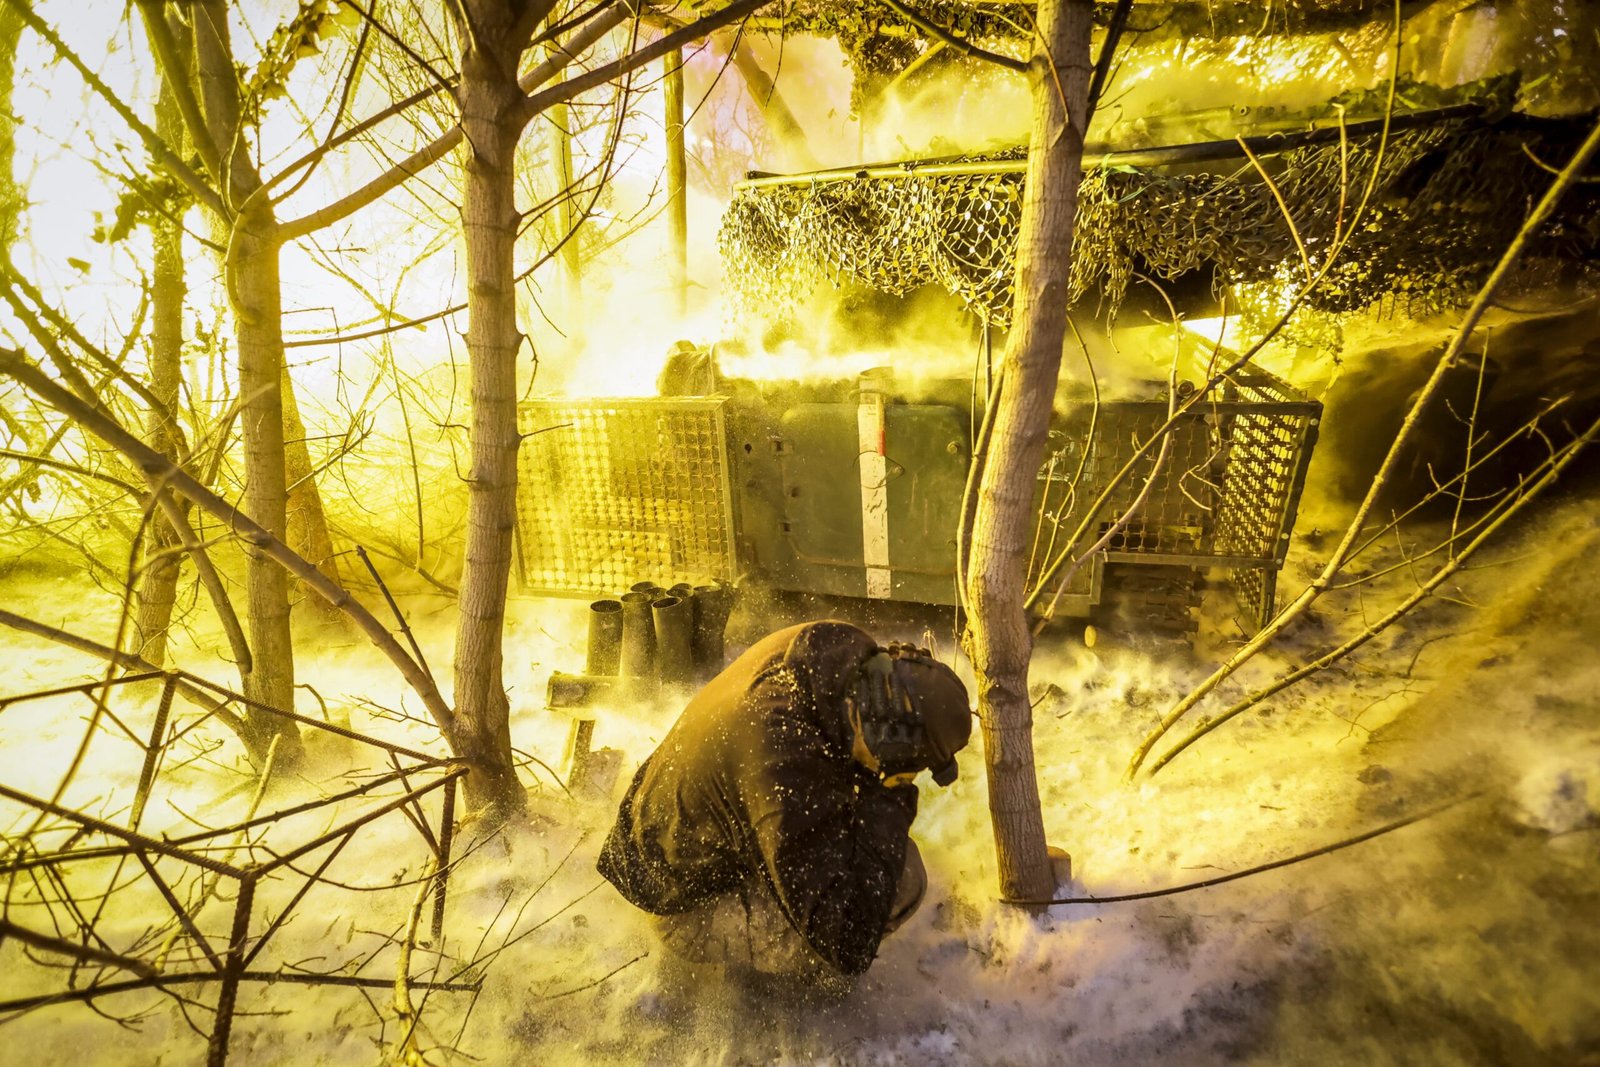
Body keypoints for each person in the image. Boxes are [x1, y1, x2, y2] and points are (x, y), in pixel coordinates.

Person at [597, 620, 972, 991]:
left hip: (680, 837)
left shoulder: (839, 659)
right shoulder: (784, 767)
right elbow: (848, 942)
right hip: (683, 907)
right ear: (888, 742)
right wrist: (891, 795)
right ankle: (793, 990)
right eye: (905, 767)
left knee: (866, 847)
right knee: (900, 881)